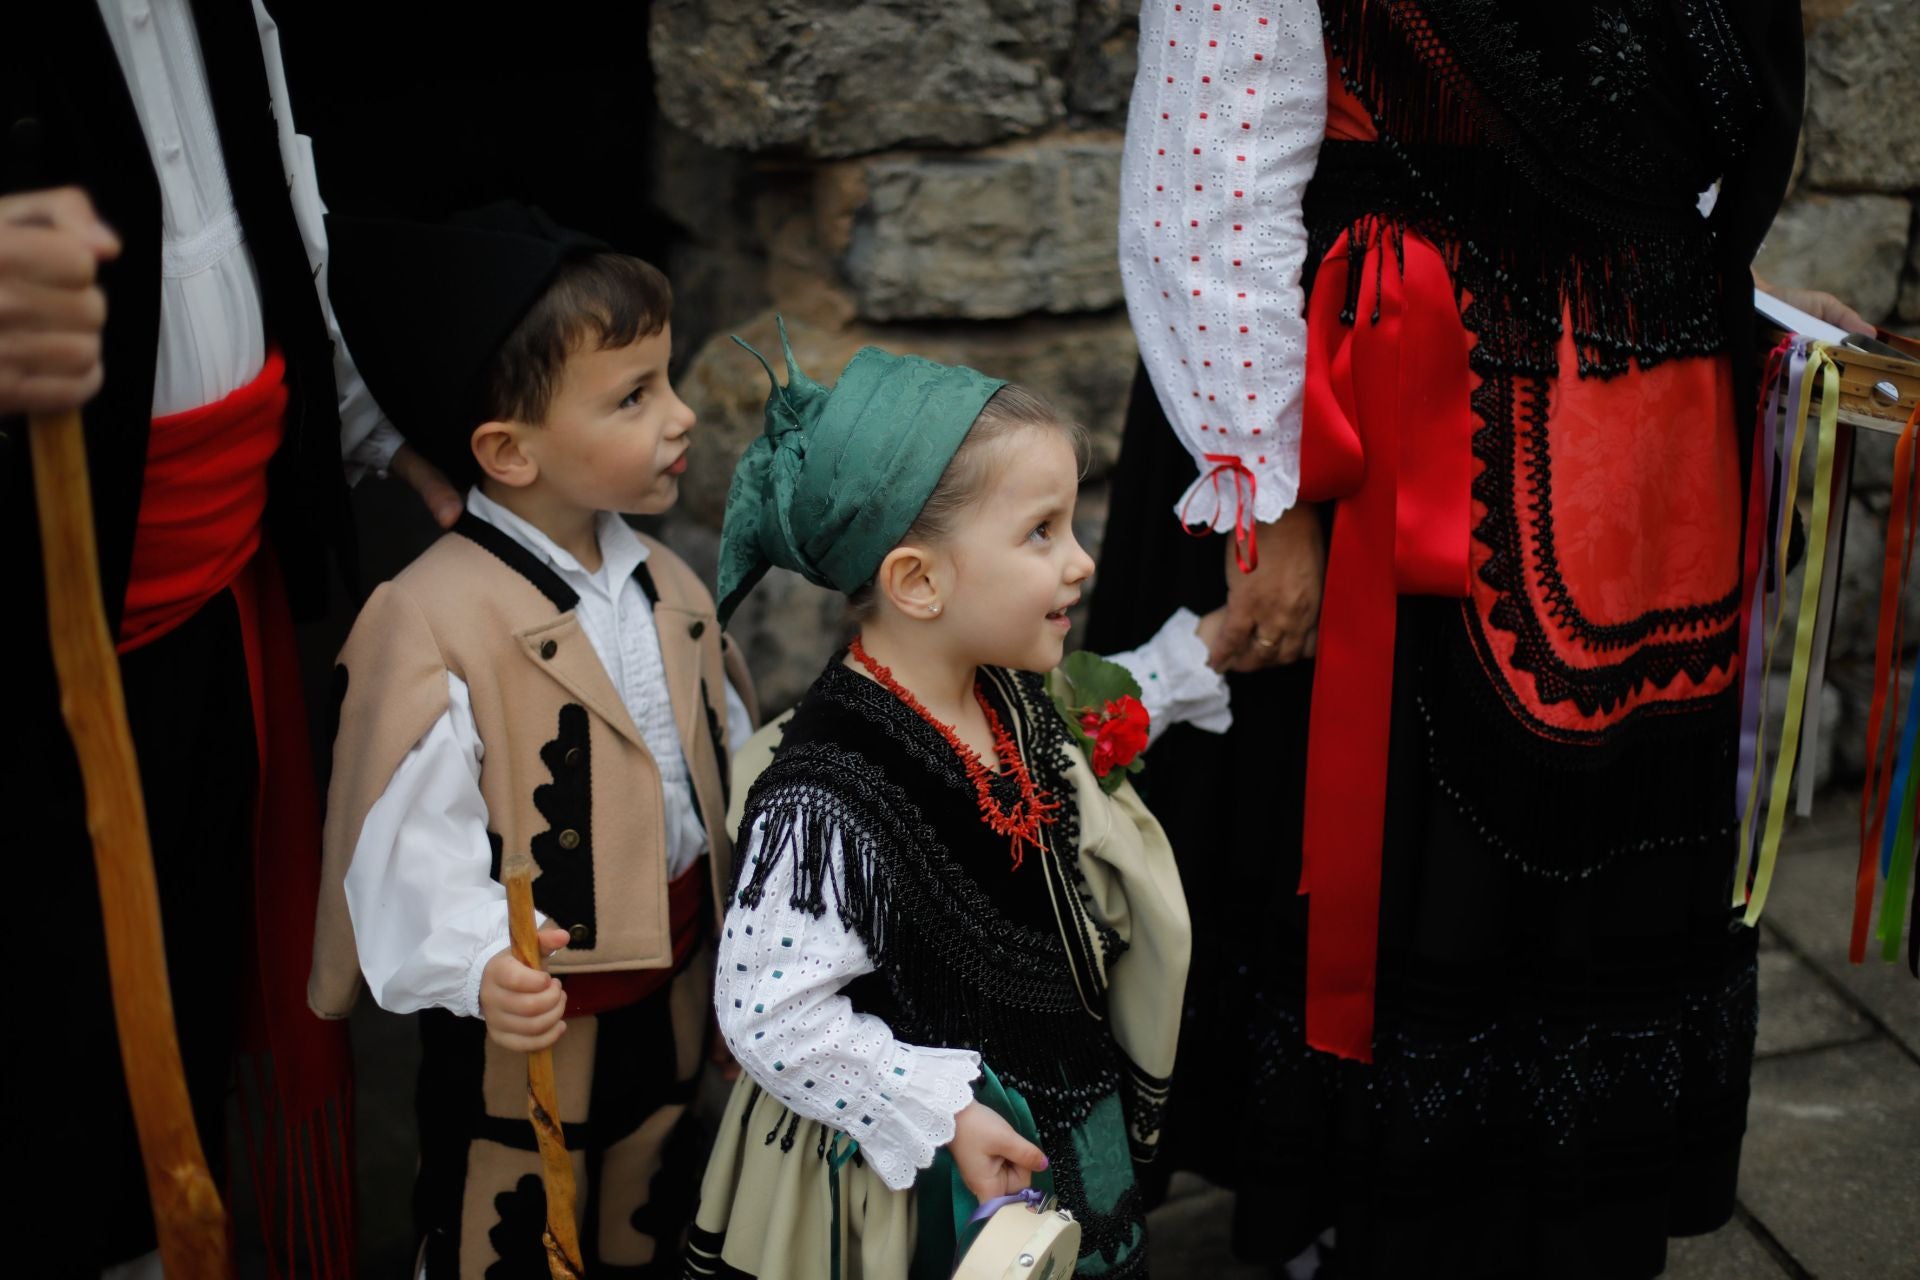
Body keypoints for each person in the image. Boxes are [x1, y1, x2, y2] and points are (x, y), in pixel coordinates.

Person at [1095, 2, 1862, 1277]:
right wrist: (1269, 491)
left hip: (1642, 417)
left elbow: (1663, 116)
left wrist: (1736, 283)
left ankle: (1558, 1208)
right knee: (1405, 858)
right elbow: (1209, 168)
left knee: (1598, 856)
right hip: (1393, 423)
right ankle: (1369, 1212)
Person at [0, 3, 457, 1274]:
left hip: (216, 586)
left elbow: (273, 226)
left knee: (187, 980)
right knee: (45, 1031)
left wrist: (374, 424)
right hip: (36, 629)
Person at [683, 327, 1233, 1279]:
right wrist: (945, 1110)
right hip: (935, 1184)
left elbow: (1078, 760)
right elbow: (768, 1011)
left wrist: (1200, 656)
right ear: (918, 581)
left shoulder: (1003, 693)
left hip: (1065, 1130)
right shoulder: (828, 796)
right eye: (1041, 532)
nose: (1082, 562)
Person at [307, 203, 754, 1277]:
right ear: (508, 450)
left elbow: (724, 772)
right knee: (508, 1223)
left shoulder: (675, 588)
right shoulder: (434, 618)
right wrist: (477, 956)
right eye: (635, 395)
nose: (681, 415)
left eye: (668, 379)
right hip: (534, 1018)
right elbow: (408, 845)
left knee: (646, 1198)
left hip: (676, 988)